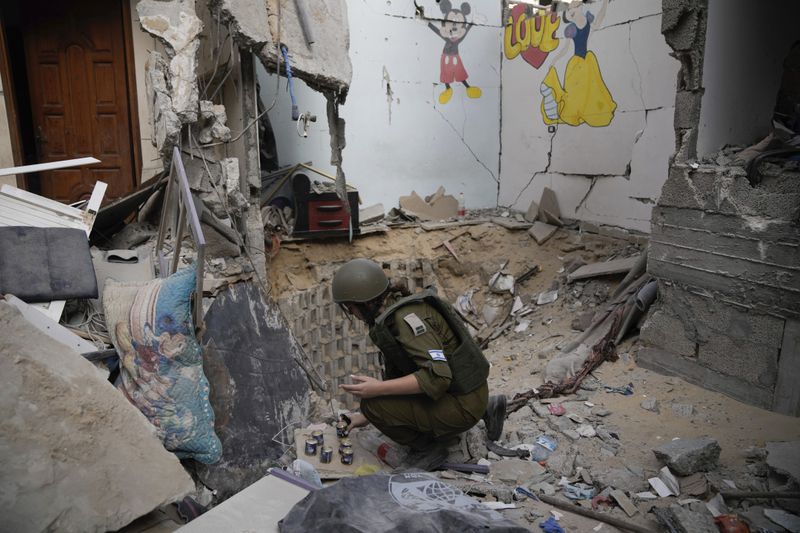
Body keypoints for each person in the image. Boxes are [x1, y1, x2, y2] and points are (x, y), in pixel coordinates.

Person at [333, 258, 506, 470]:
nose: (353, 315)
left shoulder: (405, 320)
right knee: (378, 401)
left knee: (373, 404)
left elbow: (438, 377)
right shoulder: (397, 310)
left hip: (462, 402)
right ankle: (485, 408)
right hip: (468, 390)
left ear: (366, 303)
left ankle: (428, 450)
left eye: (351, 308)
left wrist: (376, 391)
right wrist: (364, 418)